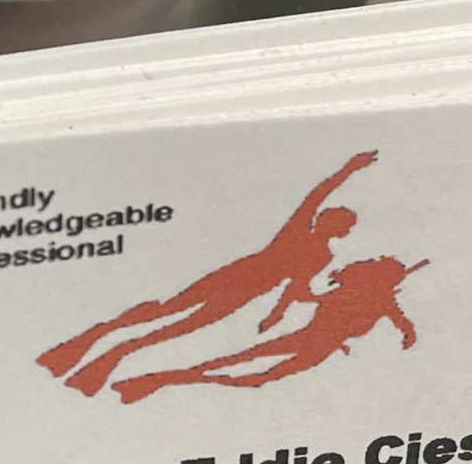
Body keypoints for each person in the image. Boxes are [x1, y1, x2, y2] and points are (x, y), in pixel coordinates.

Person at [36, 151, 377, 396]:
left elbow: (295, 288)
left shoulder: (320, 254)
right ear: (332, 223)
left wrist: (291, 309)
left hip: (242, 291)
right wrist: (349, 168)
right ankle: (96, 338)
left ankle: (108, 357)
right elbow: (317, 195)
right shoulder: (301, 232)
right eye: (344, 224)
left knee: (176, 325)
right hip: (233, 279)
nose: (344, 229)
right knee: (168, 313)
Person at [111, 254, 426, 402]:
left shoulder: (368, 296)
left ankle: (164, 379)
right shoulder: (371, 297)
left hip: (313, 341)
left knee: (247, 364)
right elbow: (401, 324)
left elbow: (403, 324)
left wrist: (406, 332)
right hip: (315, 342)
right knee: (253, 370)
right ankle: (164, 379)